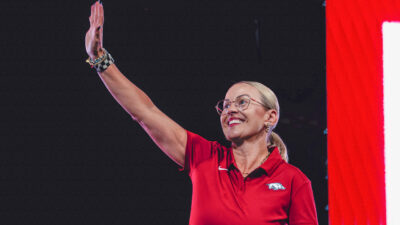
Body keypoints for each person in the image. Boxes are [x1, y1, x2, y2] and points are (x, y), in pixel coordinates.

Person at [85, 1, 319, 225]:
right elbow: (145, 112)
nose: (231, 110)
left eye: (243, 102)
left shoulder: (293, 181)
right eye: (225, 105)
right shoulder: (205, 158)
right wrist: (100, 59)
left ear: (270, 117)